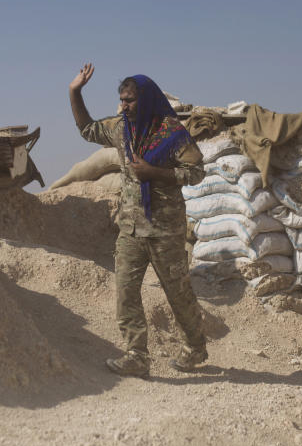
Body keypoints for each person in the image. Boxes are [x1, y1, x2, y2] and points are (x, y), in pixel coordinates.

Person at [68, 63, 208, 378]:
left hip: (165, 230)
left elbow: (197, 172)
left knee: (177, 291)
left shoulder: (172, 132)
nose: (124, 106)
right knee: (126, 290)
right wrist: (75, 91)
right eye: (122, 99)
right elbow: (88, 129)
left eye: (130, 100)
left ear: (145, 99)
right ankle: (136, 355)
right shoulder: (121, 129)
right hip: (130, 228)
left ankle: (195, 346)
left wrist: (155, 173)